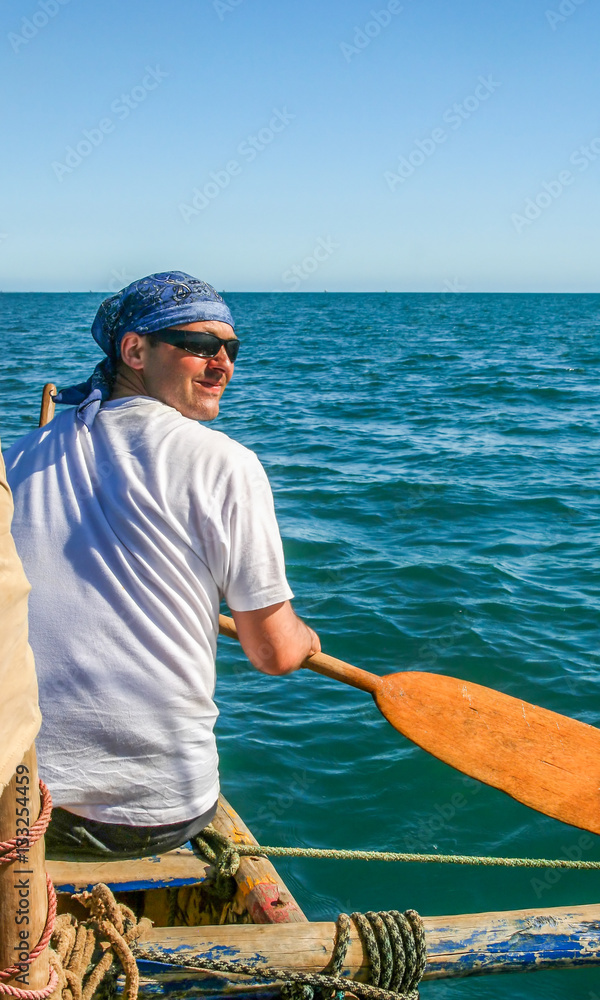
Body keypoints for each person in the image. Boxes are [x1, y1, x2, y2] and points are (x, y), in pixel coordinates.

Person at [4, 270, 320, 860]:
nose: (222, 362)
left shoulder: (16, 457)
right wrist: (301, 639)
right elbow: (273, 654)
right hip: (152, 814)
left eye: (230, 348)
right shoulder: (227, 465)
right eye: (199, 345)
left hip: (19, 800)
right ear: (134, 350)